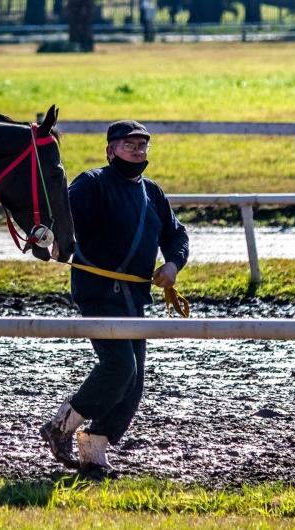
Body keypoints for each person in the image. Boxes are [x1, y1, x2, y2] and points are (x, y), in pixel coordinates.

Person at [40, 120, 189, 472]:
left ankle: (93, 451)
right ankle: (60, 427)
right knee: (121, 366)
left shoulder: (153, 192)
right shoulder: (91, 184)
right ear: (110, 150)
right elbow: (63, 220)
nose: (138, 151)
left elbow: (175, 235)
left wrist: (172, 265)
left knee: (134, 382)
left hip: (134, 298)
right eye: (129, 145)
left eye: (143, 145)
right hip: (98, 294)